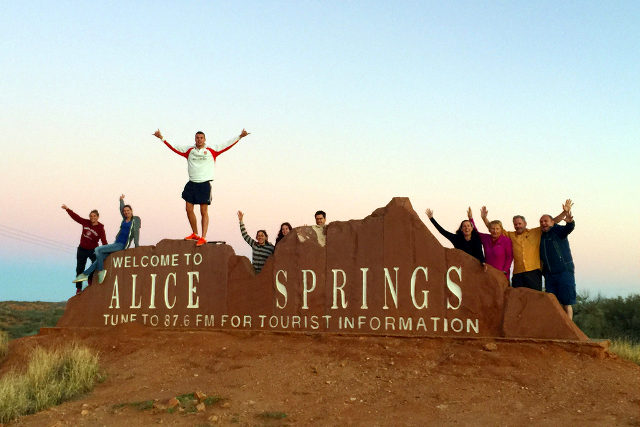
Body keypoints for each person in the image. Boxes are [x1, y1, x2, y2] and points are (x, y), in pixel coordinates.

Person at [153, 128, 249, 246]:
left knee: (203, 211)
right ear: (195, 139)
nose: (199, 140)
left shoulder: (211, 150)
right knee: (188, 209)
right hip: (192, 183)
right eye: (197, 138)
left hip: (204, 184)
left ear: (204, 139)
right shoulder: (189, 151)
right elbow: (174, 147)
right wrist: (161, 138)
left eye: (201, 138)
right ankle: (195, 233)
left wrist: (240, 136)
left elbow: (227, 144)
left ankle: (203, 237)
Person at [480, 200, 572, 291]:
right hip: (518, 273)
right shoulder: (510, 235)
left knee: (534, 299)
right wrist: (484, 218)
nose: (518, 226)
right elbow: (494, 229)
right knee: (517, 300)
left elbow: (552, 222)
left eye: (520, 223)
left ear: (525, 223)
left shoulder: (535, 232)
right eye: (515, 224)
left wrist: (564, 212)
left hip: (533, 272)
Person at [73, 195, 141, 285]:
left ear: (131, 211)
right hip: (116, 243)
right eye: (125, 211)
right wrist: (121, 200)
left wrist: (137, 246)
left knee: (98, 250)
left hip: (122, 245)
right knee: (99, 258)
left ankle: (101, 271)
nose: (126, 212)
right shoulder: (125, 219)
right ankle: (85, 274)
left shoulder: (135, 220)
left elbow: (136, 233)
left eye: (128, 210)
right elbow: (121, 209)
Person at [61, 204, 108, 294]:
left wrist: (107, 250)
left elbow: (104, 241)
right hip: (82, 249)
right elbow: (76, 217)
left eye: (94, 216)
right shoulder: (86, 222)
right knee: (79, 268)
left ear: (98, 217)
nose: (92, 217)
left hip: (93, 250)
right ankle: (79, 288)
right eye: (91, 216)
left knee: (95, 264)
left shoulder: (100, 228)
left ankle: (90, 279)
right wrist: (67, 209)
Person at [540, 210, 576, 319]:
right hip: (549, 274)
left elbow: (567, 229)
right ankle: (558, 327)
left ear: (552, 222)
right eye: (541, 222)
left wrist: (570, 223)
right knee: (553, 302)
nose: (543, 223)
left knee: (566, 301)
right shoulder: (541, 235)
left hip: (564, 271)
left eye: (545, 221)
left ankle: (570, 329)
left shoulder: (558, 231)